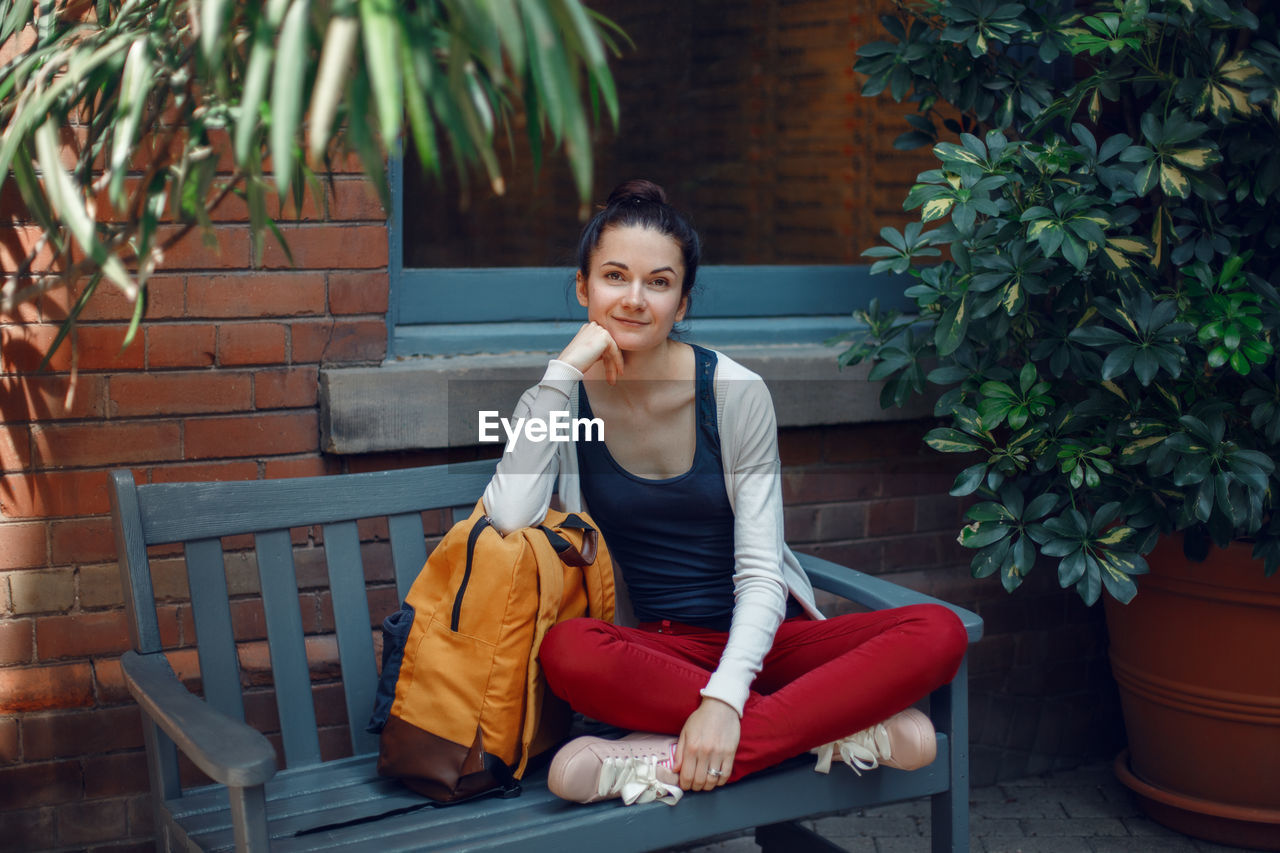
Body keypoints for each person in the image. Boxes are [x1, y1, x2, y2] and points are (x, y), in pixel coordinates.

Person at [481, 179, 969, 806]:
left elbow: (763, 573)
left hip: (764, 643)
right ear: (583, 287)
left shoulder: (737, 394)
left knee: (936, 631)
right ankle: (826, 728)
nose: (633, 300)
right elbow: (509, 515)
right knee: (570, 652)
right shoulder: (557, 399)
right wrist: (561, 373)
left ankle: (664, 758)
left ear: (681, 304)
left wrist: (725, 700)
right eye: (613, 277)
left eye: (658, 283)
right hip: (657, 654)